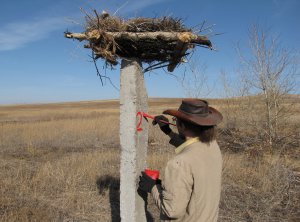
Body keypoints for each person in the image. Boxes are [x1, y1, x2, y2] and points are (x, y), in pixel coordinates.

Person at [139, 99, 223, 222]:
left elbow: (172, 211)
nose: (175, 122)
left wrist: (153, 187)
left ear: (182, 126)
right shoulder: (213, 146)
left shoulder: (180, 163)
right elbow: (192, 148)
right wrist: (168, 131)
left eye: (175, 120)